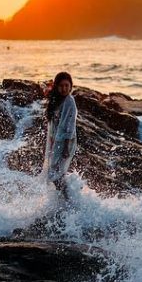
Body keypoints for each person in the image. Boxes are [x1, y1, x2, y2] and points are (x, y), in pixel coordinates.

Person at [43, 71, 77, 201]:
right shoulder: (57, 100)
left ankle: (67, 200)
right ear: (57, 87)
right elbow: (53, 124)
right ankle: (64, 200)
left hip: (65, 143)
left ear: (70, 86)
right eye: (61, 86)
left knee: (57, 174)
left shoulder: (69, 101)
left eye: (67, 85)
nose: (64, 89)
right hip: (55, 142)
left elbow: (70, 127)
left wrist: (66, 148)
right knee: (54, 173)